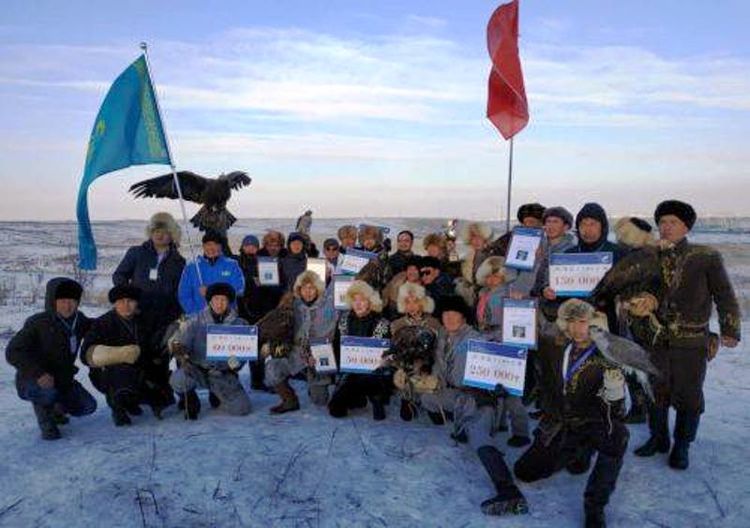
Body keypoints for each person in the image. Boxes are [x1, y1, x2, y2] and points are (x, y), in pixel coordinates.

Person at [593, 201, 741, 470]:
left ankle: (682, 445)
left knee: (689, 396)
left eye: (673, 222)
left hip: (691, 341)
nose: (667, 227)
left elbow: (724, 295)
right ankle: (658, 438)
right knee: (655, 391)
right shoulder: (647, 256)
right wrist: (633, 302)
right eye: (662, 222)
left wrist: (730, 329)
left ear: (686, 227)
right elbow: (624, 287)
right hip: (653, 339)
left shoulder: (705, 256)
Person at [514, 299, 629, 528]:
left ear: (594, 322)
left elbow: (619, 411)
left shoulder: (608, 353)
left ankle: (594, 506)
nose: (577, 328)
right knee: (524, 472)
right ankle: (578, 451)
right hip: (561, 421)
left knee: (618, 436)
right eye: (572, 322)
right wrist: (520, 307)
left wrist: (615, 393)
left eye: (583, 322)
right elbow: (527, 333)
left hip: (594, 420)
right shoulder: (554, 346)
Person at [420, 296, 529, 516]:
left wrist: (519, 428)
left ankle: (508, 490)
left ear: (463, 317)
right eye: (446, 314)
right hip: (457, 395)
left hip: (479, 398)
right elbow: (439, 371)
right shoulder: (442, 338)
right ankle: (460, 424)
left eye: (455, 314)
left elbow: (503, 358)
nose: (450, 318)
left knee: (478, 435)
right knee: (426, 398)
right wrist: (430, 380)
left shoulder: (477, 339)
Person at [6, 278, 97, 440]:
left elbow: (99, 326)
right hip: (33, 379)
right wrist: (38, 373)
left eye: (72, 301)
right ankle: (46, 420)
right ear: (52, 301)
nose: (68, 306)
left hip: (62, 380)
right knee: (46, 392)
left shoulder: (79, 320)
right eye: (62, 301)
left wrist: (120, 313)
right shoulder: (37, 322)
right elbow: (13, 351)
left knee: (87, 406)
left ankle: (56, 409)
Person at [112, 212, 184, 409]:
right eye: (156, 231)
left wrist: (178, 314)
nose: (160, 235)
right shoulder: (136, 253)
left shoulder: (178, 261)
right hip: (138, 315)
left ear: (172, 235)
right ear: (150, 232)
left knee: (161, 357)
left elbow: (180, 291)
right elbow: (119, 276)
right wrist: (128, 300)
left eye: (165, 231)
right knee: (139, 356)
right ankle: (135, 395)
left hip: (165, 318)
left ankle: (161, 394)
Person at [80, 285, 162, 426]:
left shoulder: (144, 321)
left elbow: (152, 348)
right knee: (121, 372)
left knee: (162, 394)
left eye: (130, 301)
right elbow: (86, 354)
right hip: (110, 374)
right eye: (121, 301)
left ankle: (132, 401)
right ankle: (118, 407)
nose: (126, 305)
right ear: (115, 303)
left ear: (136, 303)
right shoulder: (102, 323)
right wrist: (118, 354)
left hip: (139, 370)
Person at [168, 283, 252, 419]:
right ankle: (190, 399)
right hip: (197, 369)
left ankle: (216, 394)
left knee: (242, 408)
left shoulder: (239, 324)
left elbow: (243, 354)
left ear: (229, 302)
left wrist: (235, 363)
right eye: (216, 299)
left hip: (222, 373)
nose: (219, 304)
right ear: (210, 301)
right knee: (178, 379)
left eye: (223, 300)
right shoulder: (195, 320)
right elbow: (178, 339)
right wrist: (178, 346)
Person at [473, 257, 529, 447]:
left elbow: (521, 315)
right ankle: (500, 422)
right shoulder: (483, 293)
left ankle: (521, 431)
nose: (492, 279)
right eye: (489, 275)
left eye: (496, 275)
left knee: (511, 389)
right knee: (493, 386)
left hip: (506, 340)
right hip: (487, 340)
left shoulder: (511, 291)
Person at [264, 270, 338, 413]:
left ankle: (315, 383)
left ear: (318, 289)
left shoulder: (329, 305)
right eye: (304, 288)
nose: (308, 292)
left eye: (311, 288)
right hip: (297, 351)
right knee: (272, 368)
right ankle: (289, 400)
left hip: (320, 353)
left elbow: (343, 293)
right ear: (299, 289)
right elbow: (274, 325)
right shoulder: (291, 305)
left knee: (320, 401)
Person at [328, 281, 392, 420]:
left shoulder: (382, 323)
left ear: (370, 302)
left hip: (374, 373)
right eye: (355, 300)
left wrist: (384, 361)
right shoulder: (344, 320)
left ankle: (377, 398)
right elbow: (336, 347)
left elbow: (388, 353)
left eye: (362, 300)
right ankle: (357, 397)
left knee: (373, 379)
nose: (358, 304)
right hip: (350, 371)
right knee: (336, 410)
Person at [390, 282, 441, 420]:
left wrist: (429, 364)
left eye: (415, 301)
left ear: (423, 303)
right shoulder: (396, 325)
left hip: (428, 366)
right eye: (407, 302)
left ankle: (430, 401)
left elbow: (439, 348)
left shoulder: (434, 323)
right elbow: (394, 351)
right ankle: (407, 397)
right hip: (406, 367)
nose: (411, 305)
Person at [178, 231, 245, 316]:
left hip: (227, 316)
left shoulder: (232, 265)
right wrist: (195, 313)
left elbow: (239, 289)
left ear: (221, 246)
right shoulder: (191, 267)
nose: (211, 248)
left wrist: (211, 291)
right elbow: (184, 294)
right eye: (208, 244)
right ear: (203, 246)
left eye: (215, 244)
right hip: (198, 317)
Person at [382, 256, 422, 320]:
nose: (412, 272)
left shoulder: (425, 285)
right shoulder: (398, 279)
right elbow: (385, 295)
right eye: (410, 269)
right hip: (391, 314)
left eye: (415, 269)